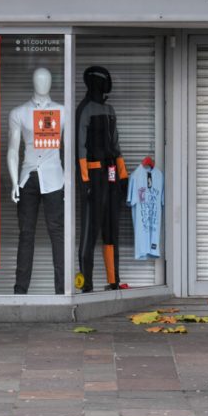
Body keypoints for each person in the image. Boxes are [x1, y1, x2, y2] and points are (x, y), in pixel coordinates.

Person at [7, 67, 65, 294]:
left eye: (47, 80)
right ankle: (20, 291)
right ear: (32, 82)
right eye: (39, 79)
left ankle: (62, 290)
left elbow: (68, 149)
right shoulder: (18, 113)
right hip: (28, 178)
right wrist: (14, 182)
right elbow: (13, 150)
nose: (43, 83)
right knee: (26, 234)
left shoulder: (62, 111)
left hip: (54, 177)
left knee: (57, 233)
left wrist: (68, 181)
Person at [76, 66, 128, 292]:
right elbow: (79, 148)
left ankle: (113, 280)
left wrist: (122, 176)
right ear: (95, 83)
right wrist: (85, 181)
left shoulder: (110, 109)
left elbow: (116, 145)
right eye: (105, 80)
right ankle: (86, 284)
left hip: (111, 175)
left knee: (111, 228)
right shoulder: (84, 110)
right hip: (94, 174)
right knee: (90, 230)